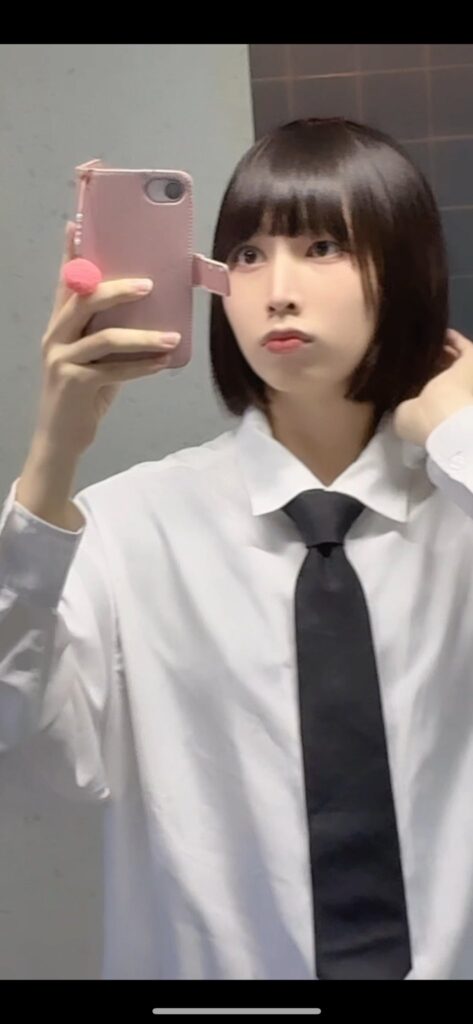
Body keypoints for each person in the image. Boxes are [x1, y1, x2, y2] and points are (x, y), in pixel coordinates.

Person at [1, 116, 473, 981]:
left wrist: (464, 439)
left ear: (405, 268)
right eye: (247, 255)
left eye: (322, 246)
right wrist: (50, 460)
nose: (276, 291)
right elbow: (36, 758)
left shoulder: (461, 509)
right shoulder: (127, 529)